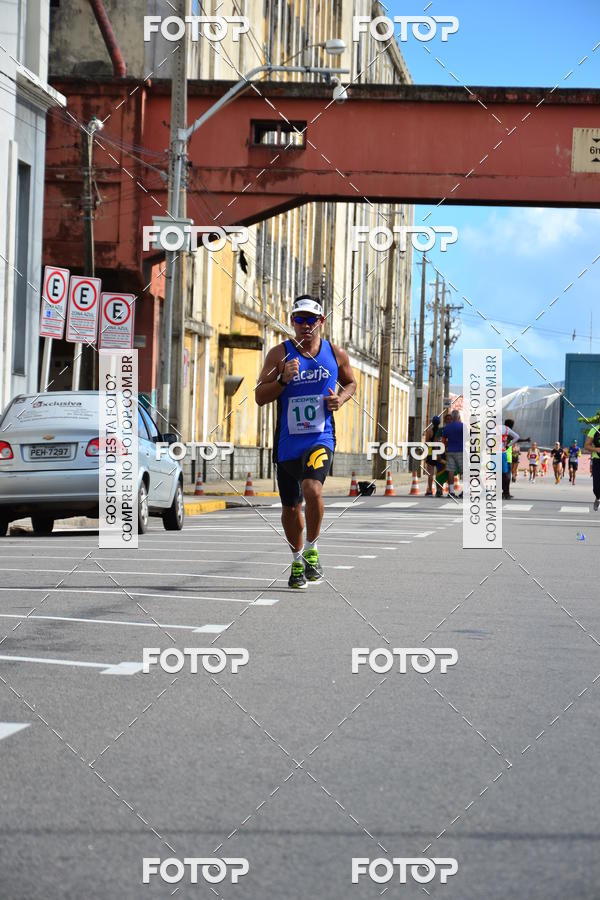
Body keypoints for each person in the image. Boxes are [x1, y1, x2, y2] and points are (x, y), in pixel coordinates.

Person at [255, 295, 357, 588]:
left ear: (321, 322)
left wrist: (341, 398)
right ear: (292, 322)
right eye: (299, 319)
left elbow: (350, 383)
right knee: (290, 507)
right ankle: (297, 558)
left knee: (312, 489)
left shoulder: (335, 354)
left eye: (311, 319)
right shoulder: (279, 355)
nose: (305, 325)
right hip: (288, 443)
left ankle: (312, 548)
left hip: (320, 437)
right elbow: (260, 396)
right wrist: (283, 380)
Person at [442, 409, 463, 498]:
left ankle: (451, 491)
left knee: (450, 471)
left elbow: (443, 441)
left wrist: (448, 445)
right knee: (464, 471)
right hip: (461, 451)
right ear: (458, 417)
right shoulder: (463, 426)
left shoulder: (447, 427)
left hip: (450, 451)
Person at [424, 415, 443, 496]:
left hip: (431, 453)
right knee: (439, 473)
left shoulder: (429, 432)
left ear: (432, 423)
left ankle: (430, 491)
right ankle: (439, 490)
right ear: (439, 423)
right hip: (439, 453)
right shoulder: (442, 431)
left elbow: (426, 444)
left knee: (430, 474)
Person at [501, 419, 520, 499]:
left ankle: (503, 492)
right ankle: (506, 493)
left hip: (496, 453)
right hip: (505, 455)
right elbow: (517, 437)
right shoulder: (507, 431)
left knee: (499, 475)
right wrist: (508, 445)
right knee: (506, 476)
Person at [584, 424, 600, 511]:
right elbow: (586, 446)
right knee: (596, 488)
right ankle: (598, 498)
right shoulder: (594, 430)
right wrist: (597, 449)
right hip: (597, 461)